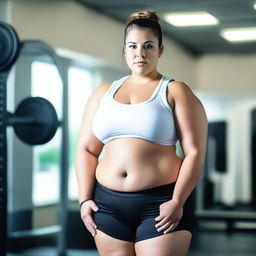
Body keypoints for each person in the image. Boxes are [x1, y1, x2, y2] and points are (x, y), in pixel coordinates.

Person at [75, 10, 208, 256]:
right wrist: (84, 199)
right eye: (133, 46)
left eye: (148, 46)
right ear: (125, 50)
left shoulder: (175, 91)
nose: (140, 53)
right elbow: (86, 150)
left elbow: (195, 152)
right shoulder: (102, 92)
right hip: (107, 205)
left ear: (160, 50)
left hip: (161, 204)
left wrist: (178, 201)